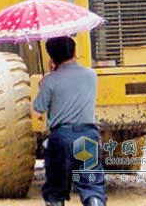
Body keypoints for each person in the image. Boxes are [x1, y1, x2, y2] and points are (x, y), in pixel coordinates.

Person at [32, 36, 106, 206]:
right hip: (87, 136)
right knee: (92, 184)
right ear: (75, 52)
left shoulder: (49, 81)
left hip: (61, 139)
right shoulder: (91, 75)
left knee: (56, 189)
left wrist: (43, 86)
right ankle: (95, 202)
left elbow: (37, 111)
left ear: (51, 57)